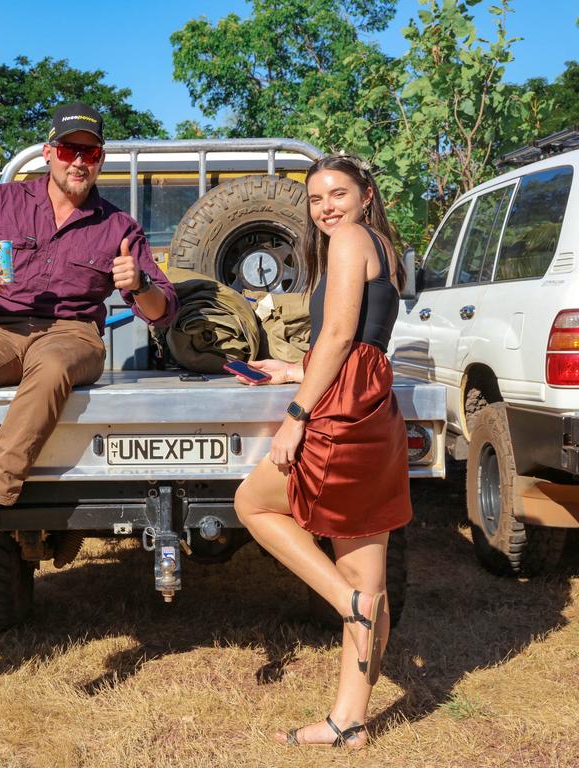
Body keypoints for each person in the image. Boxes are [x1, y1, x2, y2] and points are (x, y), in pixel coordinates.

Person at [0, 102, 179, 570]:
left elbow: (162, 312)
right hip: (0, 329)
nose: (79, 161)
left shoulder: (119, 226)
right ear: (49, 152)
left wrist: (139, 284)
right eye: (70, 149)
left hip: (73, 335)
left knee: (50, 368)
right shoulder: (1, 202)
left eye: (90, 153)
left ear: (101, 160)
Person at [233, 154, 413, 749]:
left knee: (253, 504)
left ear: (365, 194)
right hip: (372, 402)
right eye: (315, 199)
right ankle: (349, 723)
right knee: (368, 568)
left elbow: (337, 336)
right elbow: (362, 337)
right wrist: (295, 368)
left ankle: (344, 599)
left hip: (338, 410)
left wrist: (295, 415)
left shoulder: (349, 241)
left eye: (338, 193)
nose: (326, 206)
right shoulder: (383, 246)